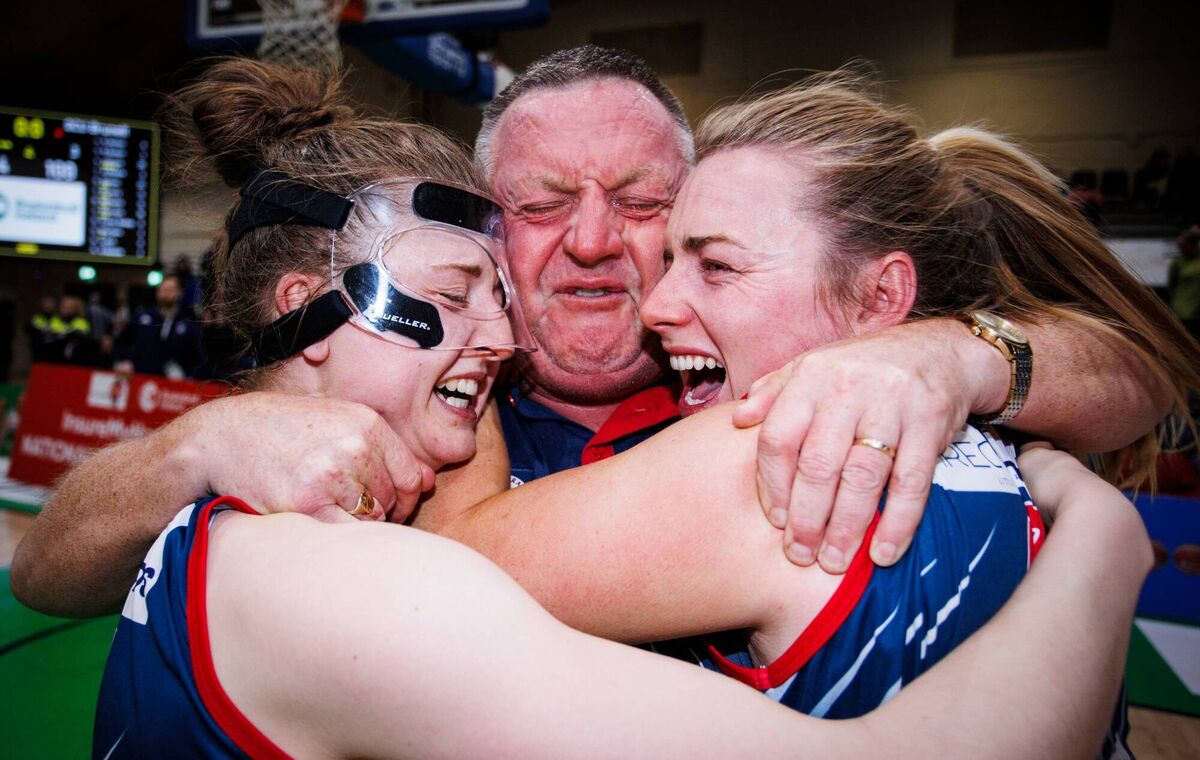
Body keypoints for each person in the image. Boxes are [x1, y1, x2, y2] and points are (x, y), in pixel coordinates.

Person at [79, 59, 1150, 758]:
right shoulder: (438, 423)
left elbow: (1137, 371)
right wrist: (208, 436)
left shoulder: (767, 404)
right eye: (540, 208)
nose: (595, 241)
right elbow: (49, 568)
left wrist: (958, 354)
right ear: (497, 237)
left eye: (646, 208)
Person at [113, 273, 205, 378]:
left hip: (170, 387)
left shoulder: (189, 326)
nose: (166, 293)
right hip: (139, 380)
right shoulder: (141, 318)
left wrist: (188, 377)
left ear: (180, 293)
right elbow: (120, 343)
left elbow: (198, 360)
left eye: (170, 289)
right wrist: (125, 361)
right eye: (163, 289)